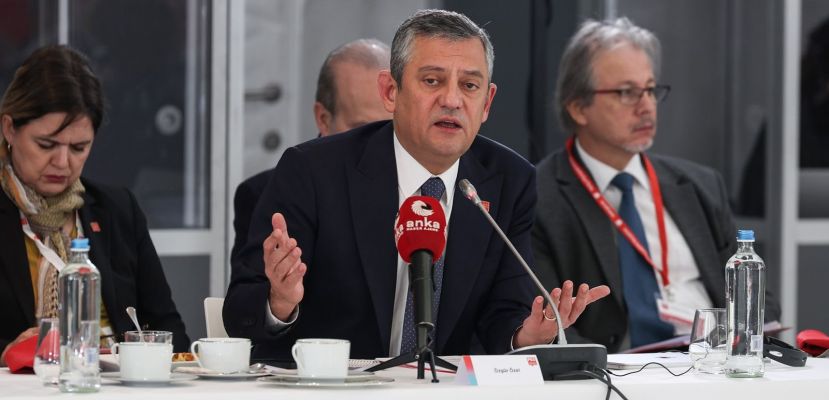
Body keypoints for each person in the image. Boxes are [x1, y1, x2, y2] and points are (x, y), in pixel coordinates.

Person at [224, 9, 609, 361]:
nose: (452, 100)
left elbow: (502, 312)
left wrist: (526, 336)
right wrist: (279, 301)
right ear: (390, 92)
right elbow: (239, 314)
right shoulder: (313, 171)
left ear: (487, 103)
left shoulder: (509, 180)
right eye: (432, 81)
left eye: (469, 86)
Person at [531, 17, 780, 353]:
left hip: (714, 364)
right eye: (627, 93)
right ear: (578, 108)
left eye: (650, 90)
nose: (646, 106)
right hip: (620, 371)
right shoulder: (539, 196)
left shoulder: (701, 186)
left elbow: (759, 299)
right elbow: (547, 326)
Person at [0, 45, 190, 365]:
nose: (62, 162)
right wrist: (7, 352)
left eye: (79, 147)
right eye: (46, 145)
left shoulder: (116, 209)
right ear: (10, 129)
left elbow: (170, 331)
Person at [232, 39, 392, 262]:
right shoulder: (264, 196)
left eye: (390, 129)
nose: (379, 143)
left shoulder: (421, 193)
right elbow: (252, 284)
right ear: (323, 119)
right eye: (362, 130)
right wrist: (279, 286)